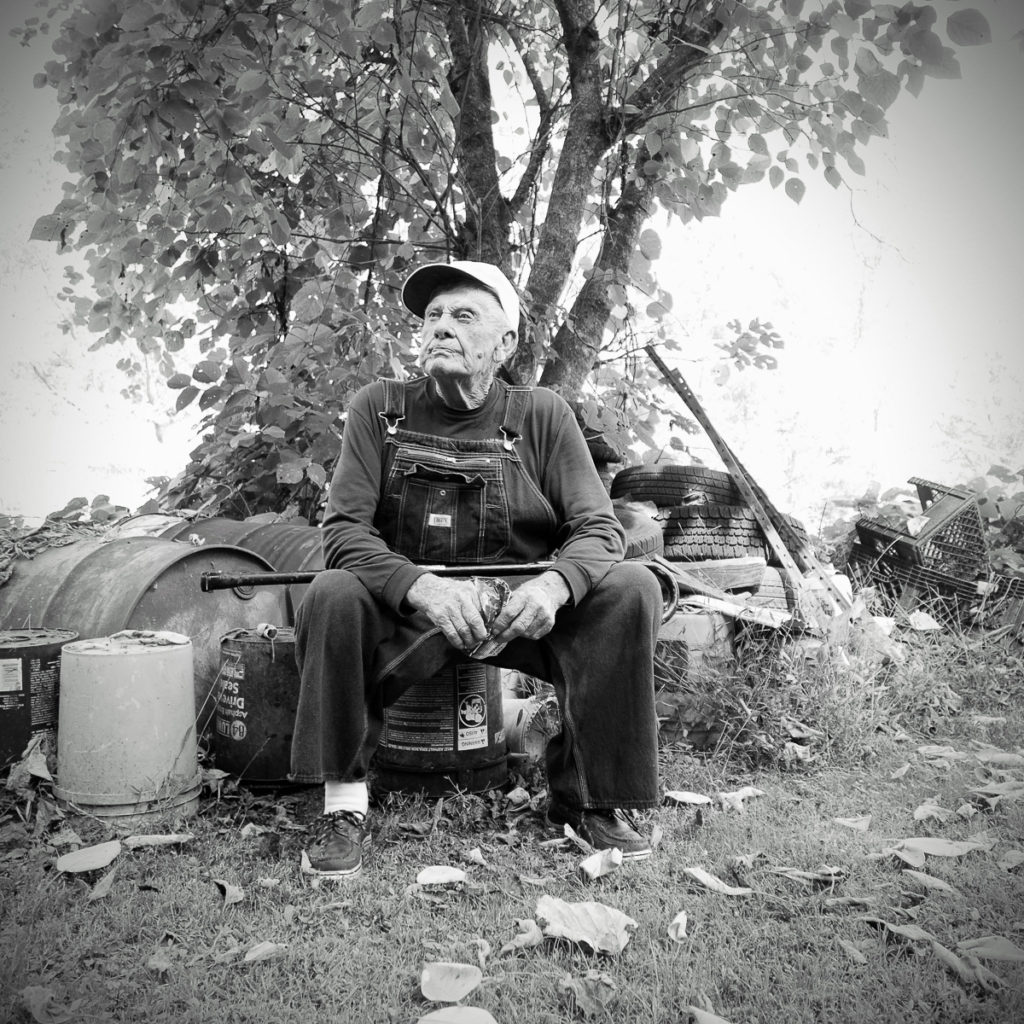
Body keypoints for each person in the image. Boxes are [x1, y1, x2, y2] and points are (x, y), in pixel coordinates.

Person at [291, 259, 661, 879]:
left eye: (464, 316)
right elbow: (344, 533)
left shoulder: (543, 414)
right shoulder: (377, 409)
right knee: (332, 592)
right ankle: (343, 804)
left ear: (506, 343)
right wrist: (418, 587)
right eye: (433, 316)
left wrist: (555, 584)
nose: (441, 327)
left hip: (523, 605)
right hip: (410, 604)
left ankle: (586, 799)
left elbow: (599, 530)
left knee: (631, 587)